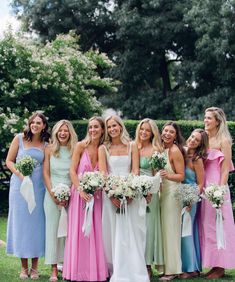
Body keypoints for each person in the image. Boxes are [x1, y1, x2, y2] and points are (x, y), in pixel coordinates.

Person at [99, 115, 149, 282]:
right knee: (112, 232)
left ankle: (134, 269)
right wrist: (112, 194)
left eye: (115, 126)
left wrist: (129, 192)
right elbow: (103, 174)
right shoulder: (103, 148)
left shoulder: (132, 145)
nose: (112, 129)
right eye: (109, 127)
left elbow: (135, 170)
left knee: (131, 232)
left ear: (120, 127)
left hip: (130, 195)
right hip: (110, 197)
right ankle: (114, 268)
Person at [63, 116, 108, 282]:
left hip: (96, 196)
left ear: (102, 129)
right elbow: (72, 171)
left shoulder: (103, 148)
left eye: (96, 127)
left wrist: (96, 186)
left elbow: (103, 173)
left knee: (96, 233)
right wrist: (81, 190)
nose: (93, 130)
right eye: (90, 127)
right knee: (79, 232)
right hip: (80, 195)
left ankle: (95, 272)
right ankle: (76, 272)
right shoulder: (81, 146)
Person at [6, 112, 50, 279]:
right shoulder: (19, 138)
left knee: (36, 225)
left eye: (39, 123)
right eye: (33, 122)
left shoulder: (47, 144)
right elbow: (9, 161)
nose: (35, 125)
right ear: (29, 124)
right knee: (22, 225)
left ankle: (35, 267)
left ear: (44, 126)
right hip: (19, 188)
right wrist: (20, 175)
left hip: (38, 188)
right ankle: (24, 267)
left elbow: (47, 167)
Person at [200, 107, 235, 279]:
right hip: (204, 187)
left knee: (220, 226)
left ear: (217, 121)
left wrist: (219, 192)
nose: (205, 120)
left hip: (217, 188)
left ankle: (221, 266)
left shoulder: (224, 141)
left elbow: (224, 170)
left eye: (209, 118)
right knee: (207, 227)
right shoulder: (204, 139)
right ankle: (213, 264)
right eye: (205, 118)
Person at [43, 120, 77, 281]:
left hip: (72, 196)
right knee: (53, 232)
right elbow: (46, 173)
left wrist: (69, 194)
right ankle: (54, 268)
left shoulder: (75, 150)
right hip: (52, 195)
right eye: (60, 131)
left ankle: (68, 265)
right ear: (55, 132)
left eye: (66, 131)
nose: (63, 133)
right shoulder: (49, 149)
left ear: (70, 133)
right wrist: (53, 194)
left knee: (69, 233)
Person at [135, 118, 164, 277]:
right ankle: (136, 262)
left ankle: (147, 264)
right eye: (142, 129)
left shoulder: (156, 150)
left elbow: (158, 175)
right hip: (134, 192)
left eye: (147, 130)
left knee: (148, 230)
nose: (144, 132)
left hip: (150, 195)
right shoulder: (134, 147)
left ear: (152, 133)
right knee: (136, 229)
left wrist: (150, 193)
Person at [180, 129, 208, 279]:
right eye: (192, 137)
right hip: (178, 195)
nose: (192, 141)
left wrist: (191, 199)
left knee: (187, 231)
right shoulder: (182, 152)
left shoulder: (197, 159)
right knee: (180, 232)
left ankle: (191, 268)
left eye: (196, 140)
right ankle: (185, 265)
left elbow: (200, 183)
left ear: (200, 144)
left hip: (191, 197)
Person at [159, 122, 185, 281]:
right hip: (162, 193)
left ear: (176, 136)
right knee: (164, 231)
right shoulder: (160, 149)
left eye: (171, 132)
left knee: (171, 231)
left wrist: (167, 176)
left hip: (173, 193)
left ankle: (173, 269)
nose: (167, 134)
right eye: (166, 130)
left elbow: (181, 176)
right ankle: (165, 267)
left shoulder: (175, 151)